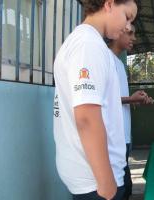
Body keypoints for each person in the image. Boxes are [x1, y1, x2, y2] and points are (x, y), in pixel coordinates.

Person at [53, 1, 137, 200]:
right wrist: (106, 182)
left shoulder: (87, 42)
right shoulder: (87, 45)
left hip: (92, 176)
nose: (127, 27)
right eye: (127, 16)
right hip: (96, 180)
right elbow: (87, 118)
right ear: (109, 4)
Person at [107, 24, 154, 200]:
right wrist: (130, 99)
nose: (134, 38)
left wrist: (136, 101)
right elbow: (98, 100)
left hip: (123, 137)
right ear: (115, 33)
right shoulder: (104, 60)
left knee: (126, 189)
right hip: (111, 139)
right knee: (120, 190)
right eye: (130, 33)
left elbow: (115, 100)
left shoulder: (119, 63)